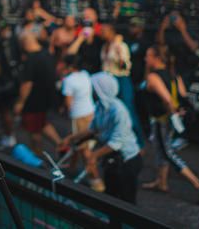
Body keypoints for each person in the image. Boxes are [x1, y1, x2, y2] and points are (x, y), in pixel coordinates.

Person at [59, 72, 143, 204]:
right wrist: (70, 138)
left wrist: (94, 155)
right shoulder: (100, 107)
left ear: (100, 90)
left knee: (127, 202)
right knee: (110, 198)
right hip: (112, 159)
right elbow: (93, 128)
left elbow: (116, 142)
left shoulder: (119, 110)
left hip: (127, 161)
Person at [141, 47, 199, 200]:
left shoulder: (154, 76)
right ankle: (161, 182)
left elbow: (167, 99)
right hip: (171, 118)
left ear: (156, 58)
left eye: (148, 56)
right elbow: (183, 95)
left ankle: (197, 184)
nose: (146, 59)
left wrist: (173, 110)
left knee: (167, 152)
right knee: (161, 149)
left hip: (162, 119)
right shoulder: (173, 74)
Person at [60, 55, 103, 191]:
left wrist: (65, 110)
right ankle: (72, 167)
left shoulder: (68, 80)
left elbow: (68, 103)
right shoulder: (85, 74)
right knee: (80, 144)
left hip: (79, 116)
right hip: (91, 112)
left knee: (85, 149)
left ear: (69, 66)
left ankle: (96, 180)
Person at [13, 33, 61, 155]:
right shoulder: (47, 54)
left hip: (33, 102)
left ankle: (37, 158)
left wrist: (20, 102)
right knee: (42, 124)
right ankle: (61, 144)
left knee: (34, 132)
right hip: (45, 100)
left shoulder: (31, 59)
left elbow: (27, 84)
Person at [99, 24, 143, 146]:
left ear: (111, 30)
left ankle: (139, 142)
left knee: (129, 110)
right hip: (108, 80)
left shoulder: (121, 45)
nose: (101, 32)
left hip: (121, 79)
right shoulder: (104, 46)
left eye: (104, 30)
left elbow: (125, 66)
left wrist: (118, 52)